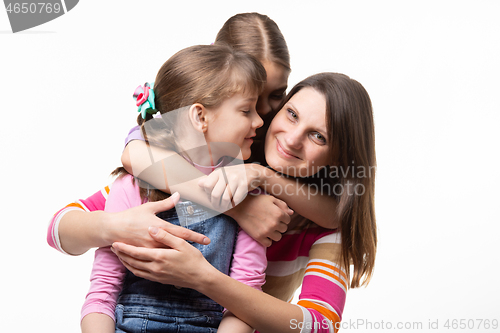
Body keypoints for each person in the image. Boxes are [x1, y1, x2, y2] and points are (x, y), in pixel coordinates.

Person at [111, 73, 378, 333]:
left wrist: (203, 277)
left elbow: (321, 325)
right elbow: (73, 220)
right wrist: (236, 206)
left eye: (318, 136)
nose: (293, 138)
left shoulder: (324, 227)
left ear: (339, 157)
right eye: (292, 114)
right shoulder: (214, 164)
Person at [82, 43, 268, 333]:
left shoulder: (251, 199)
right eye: (246, 110)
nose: (259, 120)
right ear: (200, 117)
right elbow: (102, 292)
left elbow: (245, 301)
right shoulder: (131, 187)